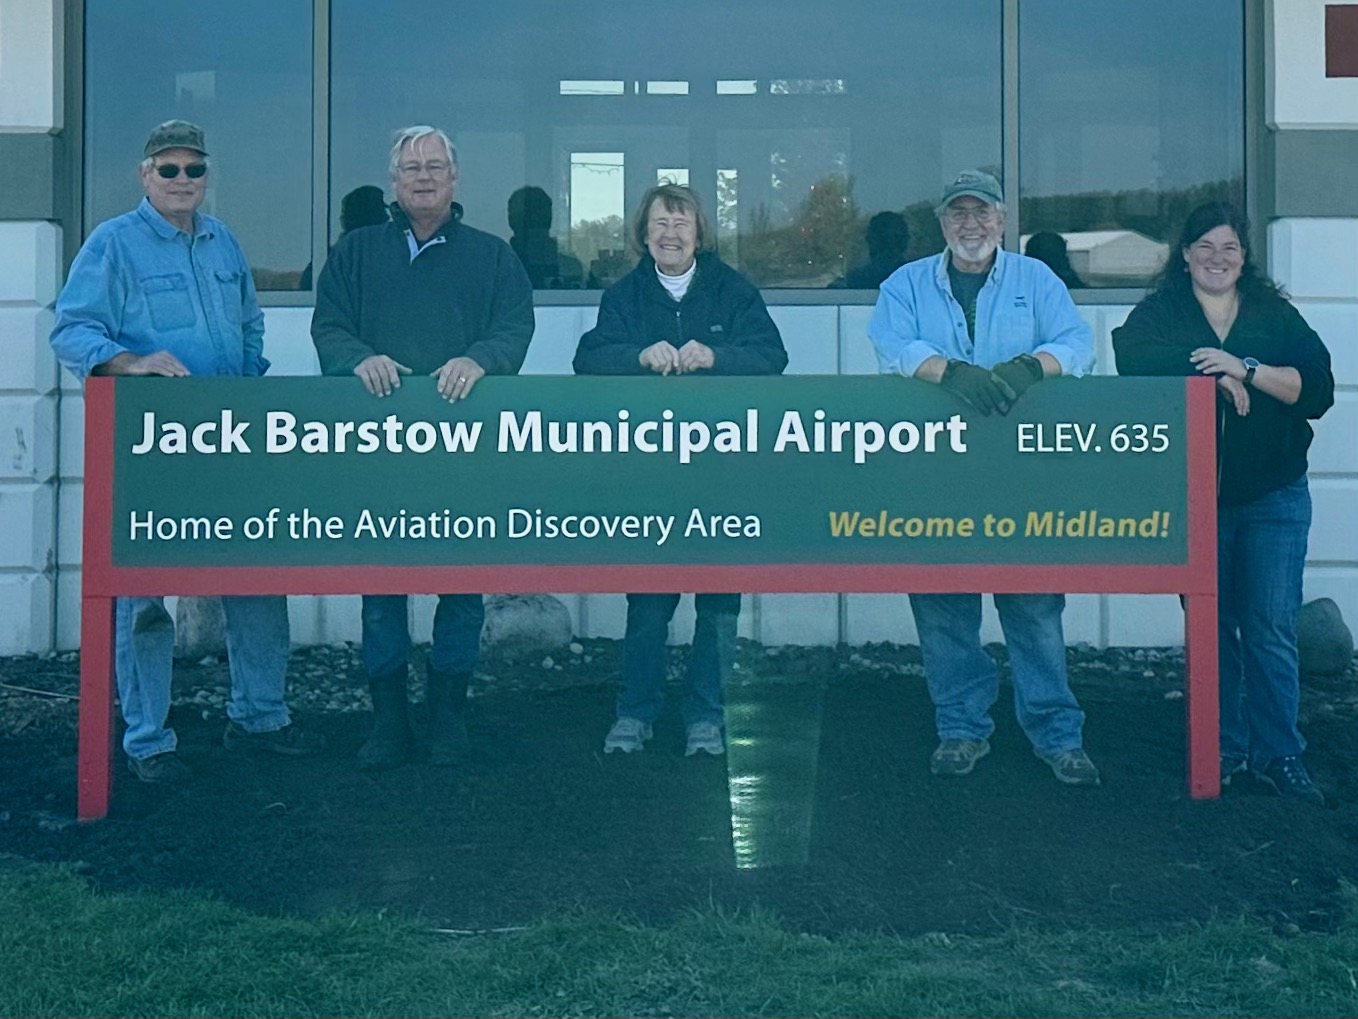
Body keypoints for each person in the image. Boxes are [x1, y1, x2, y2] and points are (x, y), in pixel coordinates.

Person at [49, 120, 324, 784]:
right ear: (145, 175)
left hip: (230, 448)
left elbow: (251, 325)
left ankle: (260, 718)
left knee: (257, 579)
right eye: (167, 169)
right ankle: (147, 740)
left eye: (192, 170)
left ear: (206, 177)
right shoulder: (112, 244)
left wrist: (247, 382)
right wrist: (132, 363)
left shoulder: (224, 242)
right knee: (143, 596)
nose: (181, 181)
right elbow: (71, 328)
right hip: (151, 452)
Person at [311, 125, 534, 771]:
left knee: (461, 586)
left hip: (463, 455)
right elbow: (328, 325)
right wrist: (357, 359)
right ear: (394, 180)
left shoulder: (492, 257)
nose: (425, 176)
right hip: (379, 453)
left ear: (456, 178)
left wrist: (479, 358)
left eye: (436, 166)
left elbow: (516, 324)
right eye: (413, 167)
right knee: (381, 586)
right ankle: (388, 723)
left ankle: (447, 719)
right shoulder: (355, 253)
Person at [867, 169, 1099, 785]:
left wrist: (1034, 365)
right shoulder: (906, 284)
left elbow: (1080, 343)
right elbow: (888, 342)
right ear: (942, 223)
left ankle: (1057, 733)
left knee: (1034, 605)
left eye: (982, 212)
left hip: (1021, 476)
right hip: (934, 475)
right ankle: (962, 728)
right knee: (944, 605)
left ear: (1002, 220)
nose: (970, 223)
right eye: (957, 213)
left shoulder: (1036, 280)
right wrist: (947, 371)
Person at [1112, 202, 1334, 805]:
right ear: (1184, 255)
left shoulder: (1271, 312)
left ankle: (1279, 753)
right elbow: (1130, 357)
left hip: (1272, 497)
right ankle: (1224, 747)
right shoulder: (1164, 311)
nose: (1217, 258)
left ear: (1244, 257)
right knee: (1212, 626)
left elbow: (1317, 387)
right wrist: (1211, 372)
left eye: (1229, 248)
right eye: (1204, 247)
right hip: (1195, 496)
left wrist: (1249, 368)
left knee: (1268, 626)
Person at [573, 183, 787, 756]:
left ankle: (706, 718)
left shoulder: (733, 291)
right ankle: (634, 714)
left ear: (700, 234)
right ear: (644, 233)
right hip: (649, 478)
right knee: (647, 603)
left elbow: (772, 357)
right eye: (660, 224)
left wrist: (716, 357)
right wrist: (637, 356)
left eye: (682, 223)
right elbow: (589, 358)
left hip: (723, 473)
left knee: (718, 606)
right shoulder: (624, 296)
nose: (670, 234)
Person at [298, 185, 390, 290]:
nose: (387, 218)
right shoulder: (338, 260)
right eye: (382, 213)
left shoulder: (330, 258)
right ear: (371, 218)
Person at [507, 185, 583, 288]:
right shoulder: (498, 266)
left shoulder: (570, 268)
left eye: (540, 213)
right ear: (512, 220)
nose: (535, 219)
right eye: (528, 214)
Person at [834, 211, 910, 289]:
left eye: (871, 237)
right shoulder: (916, 279)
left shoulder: (857, 279)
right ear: (905, 242)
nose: (867, 239)